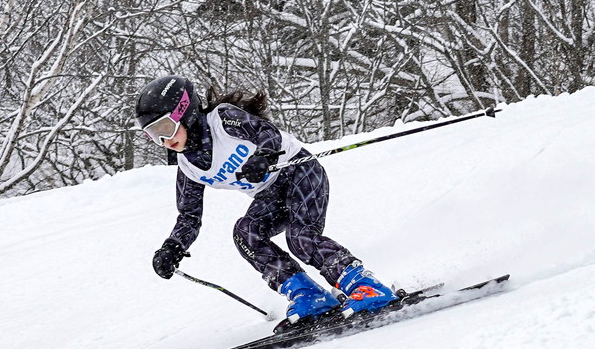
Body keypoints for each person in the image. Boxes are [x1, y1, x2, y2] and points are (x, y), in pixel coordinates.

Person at [135, 75, 398, 327]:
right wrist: (172, 247)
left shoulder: (223, 120)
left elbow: (267, 133)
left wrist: (263, 156)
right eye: (153, 135)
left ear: (185, 111)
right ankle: (307, 294)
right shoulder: (188, 166)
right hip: (270, 193)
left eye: (165, 128)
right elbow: (189, 216)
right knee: (246, 233)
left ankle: (366, 286)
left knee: (300, 237)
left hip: (299, 171)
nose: (164, 141)